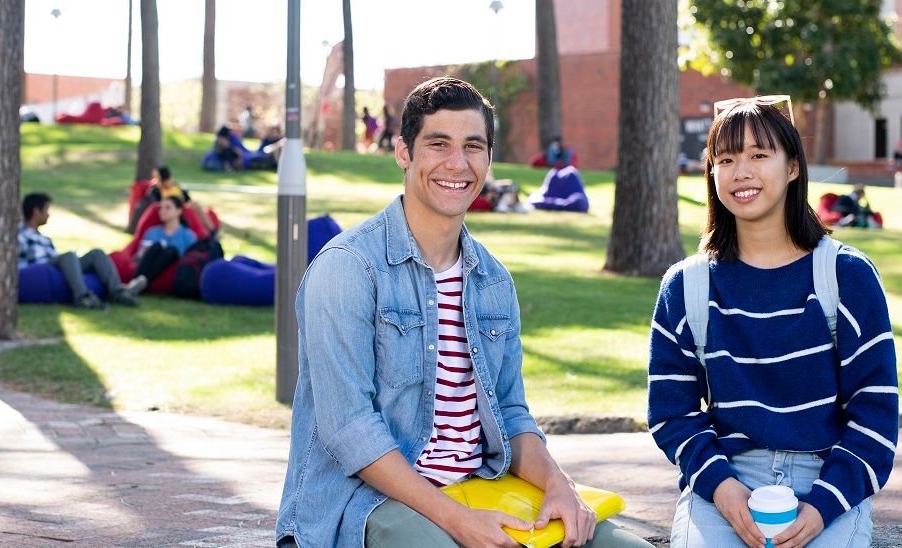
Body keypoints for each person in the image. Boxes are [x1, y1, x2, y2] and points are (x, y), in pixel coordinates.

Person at [275, 77, 652, 548]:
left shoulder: (493, 280)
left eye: (473, 146)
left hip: (481, 490)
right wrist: (456, 521)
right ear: (403, 152)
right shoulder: (348, 268)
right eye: (438, 144)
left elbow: (511, 411)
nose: (458, 163)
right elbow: (350, 430)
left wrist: (560, 485)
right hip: (365, 503)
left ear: (489, 159)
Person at [647, 96, 897, 548]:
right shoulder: (686, 285)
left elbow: (876, 415)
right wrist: (722, 489)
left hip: (827, 479)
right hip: (726, 480)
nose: (741, 171)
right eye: (726, 159)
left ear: (793, 167)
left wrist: (824, 506)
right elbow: (672, 414)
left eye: (759, 155)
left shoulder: (846, 276)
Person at [19, 192, 146, 309]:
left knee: (97, 254)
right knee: (68, 256)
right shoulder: (20, 234)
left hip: (57, 268)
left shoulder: (44, 238)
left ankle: (118, 292)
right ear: (36, 211)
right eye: (46, 209)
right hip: (40, 270)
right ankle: (82, 297)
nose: (49, 214)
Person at [133, 196, 198, 283]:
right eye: (161, 208)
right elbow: (139, 256)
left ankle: (137, 283)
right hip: (148, 265)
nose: (162, 211)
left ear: (179, 211)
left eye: (167, 207)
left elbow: (192, 259)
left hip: (175, 270)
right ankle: (137, 282)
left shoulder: (189, 235)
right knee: (157, 246)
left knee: (172, 250)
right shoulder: (152, 232)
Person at [148, 165, 220, 234]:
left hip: (183, 207)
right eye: (165, 181)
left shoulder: (177, 187)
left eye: (169, 179)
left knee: (196, 205)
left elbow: (188, 200)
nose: (168, 183)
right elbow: (156, 205)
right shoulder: (156, 191)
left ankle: (212, 230)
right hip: (172, 210)